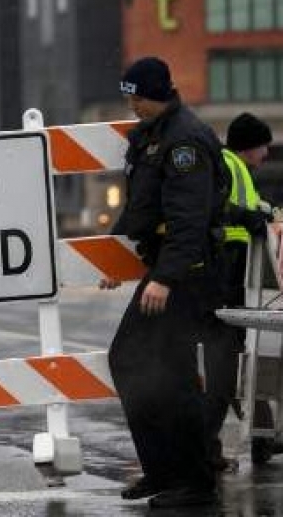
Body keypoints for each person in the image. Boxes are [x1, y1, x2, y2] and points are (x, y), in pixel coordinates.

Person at [101, 56, 228, 509]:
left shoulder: (184, 142)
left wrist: (165, 279)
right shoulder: (153, 136)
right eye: (128, 96)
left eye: (137, 96)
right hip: (165, 272)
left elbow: (189, 221)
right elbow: (142, 208)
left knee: (153, 369)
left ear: (157, 93)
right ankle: (166, 472)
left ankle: (192, 482)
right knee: (146, 367)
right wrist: (111, 255)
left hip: (184, 276)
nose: (132, 104)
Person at [206, 113, 275, 470]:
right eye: (264, 146)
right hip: (226, 269)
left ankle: (262, 435)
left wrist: (266, 215)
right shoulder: (228, 166)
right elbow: (216, 207)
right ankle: (255, 437)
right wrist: (248, 220)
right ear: (250, 146)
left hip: (231, 269)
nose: (267, 153)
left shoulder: (237, 169)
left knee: (235, 354)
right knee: (230, 356)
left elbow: (253, 209)